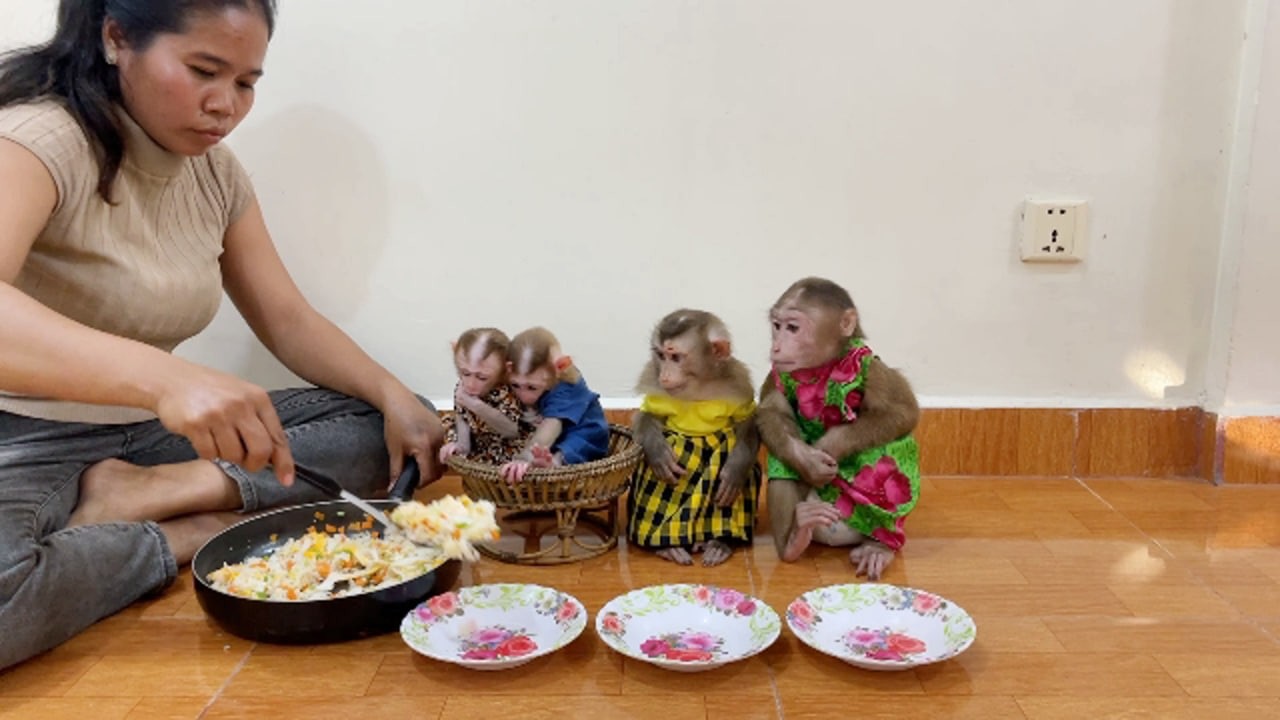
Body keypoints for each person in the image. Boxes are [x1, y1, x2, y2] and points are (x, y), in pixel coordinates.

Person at [0, 0, 444, 670]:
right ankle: (199, 533)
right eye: (204, 70)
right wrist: (169, 378)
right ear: (116, 38)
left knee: (373, 426)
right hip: (25, 436)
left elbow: (286, 318)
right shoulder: (38, 139)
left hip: (147, 437)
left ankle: (152, 494)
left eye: (246, 82)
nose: (226, 105)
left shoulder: (216, 173)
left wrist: (394, 395)